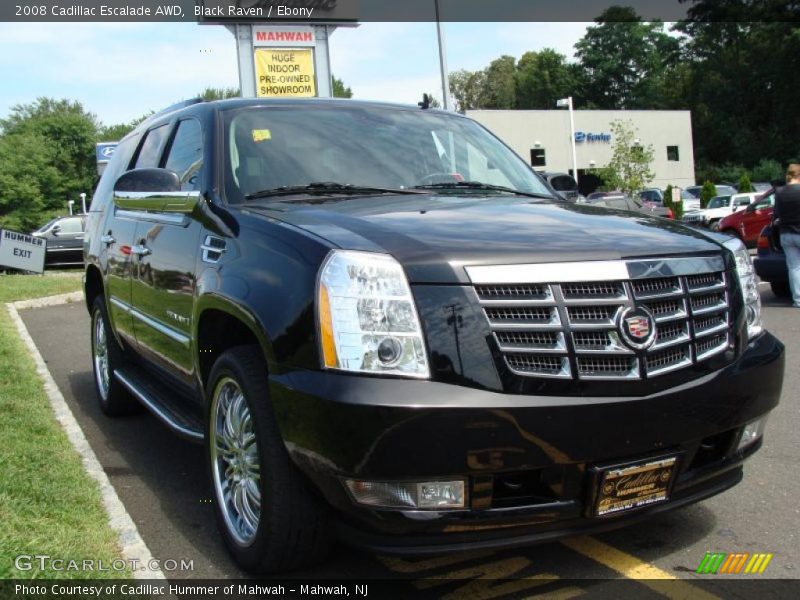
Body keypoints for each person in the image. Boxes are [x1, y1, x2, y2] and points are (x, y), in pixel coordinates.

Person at [774, 163, 800, 307]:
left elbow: (776, 215)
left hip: (786, 234)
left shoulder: (780, 192)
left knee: (794, 268)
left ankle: (798, 300)